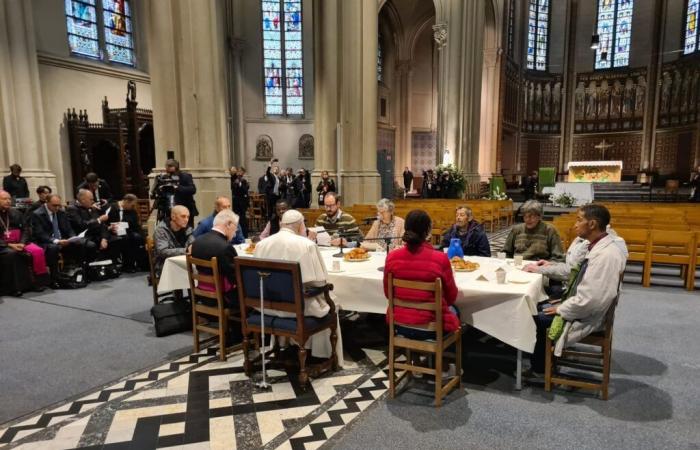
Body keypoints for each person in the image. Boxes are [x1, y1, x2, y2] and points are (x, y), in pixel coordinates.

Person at [528, 204, 627, 375]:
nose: (575, 224)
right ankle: (540, 359)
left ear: (592, 224)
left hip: (587, 316)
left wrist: (562, 308)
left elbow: (591, 299)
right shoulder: (597, 246)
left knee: (534, 316)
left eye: (579, 220)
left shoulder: (605, 255)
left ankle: (540, 368)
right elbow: (575, 273)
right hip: (582, 305)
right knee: (538, 304)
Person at [253, 209, 338, 360]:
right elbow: (319, 282)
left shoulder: (261, 245)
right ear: (300, 226)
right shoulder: (306, 245)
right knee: (332, 300)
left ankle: (287, 342)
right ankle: (322, 353)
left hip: (267, 306)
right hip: (299, 309)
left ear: (281, 224)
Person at [383, 209, 460, 340]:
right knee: (456, 310)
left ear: (406, 228)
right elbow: (451, 297)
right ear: (427, 231)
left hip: (400, 323)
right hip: (431, 326)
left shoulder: (392, 257)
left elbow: (387, 293)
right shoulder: (440, 259)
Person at [30, 194, 93, 287]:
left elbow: (68, 229)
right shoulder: (37, 214)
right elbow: (40, 234)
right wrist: (56, 241)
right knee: (53, 248)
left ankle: (81, 273)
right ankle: (54, 278)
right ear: (47, 203)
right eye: (54, 205)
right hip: (47, 242)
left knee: (81, 244)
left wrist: (73, 238)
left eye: (59, 205)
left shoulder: (61, 212)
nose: (57, 208)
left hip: (63, 239)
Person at [191, 209, 240, 310]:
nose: (235, 233)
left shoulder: (197, 241)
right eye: (236, 229)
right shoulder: (225, 247)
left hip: (201, 294)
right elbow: (235, 277)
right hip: (221, 297)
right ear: (229, 224)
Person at [0, 190, 35, 295]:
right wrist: (9, 245)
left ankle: (27, 285)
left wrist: (22, 243)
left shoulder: (16, 212)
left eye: (9, 199)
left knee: (27, 251)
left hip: (16, 244)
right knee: (12, 254)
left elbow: (26, 229)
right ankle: (13, 288)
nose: (8, 201)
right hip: (2, 246)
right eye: (4, 199)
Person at [106, 193, 147, 272]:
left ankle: (135, 264)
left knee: (137, 238)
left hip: (127, 233)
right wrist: (110, 228)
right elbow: (106, 223)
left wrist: (144, 238)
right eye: (132, 205)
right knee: (126, 239)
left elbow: (136, 226)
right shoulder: (112, 208)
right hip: (112, 232)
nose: (133, 207)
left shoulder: (132, 211)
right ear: (126, 201)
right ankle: (127, 265)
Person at [151, 159, 198, 226]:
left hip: (184, 207)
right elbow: (154, 193)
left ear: (176, 168)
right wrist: (159, 188)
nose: (170, 174)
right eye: (167, 170)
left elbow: (192, 190)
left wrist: (177, 187)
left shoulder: (185, 176)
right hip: (168, 209)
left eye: (172, 172)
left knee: (186, 229)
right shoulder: (163, 178)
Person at [66, 189, 107, 261]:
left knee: (116, 239)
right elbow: (82, 225)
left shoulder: (92, 207)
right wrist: (98, 220)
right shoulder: (72, 208)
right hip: (83, 236)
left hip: (95, 234)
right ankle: (91, 268)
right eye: (91, 199)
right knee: (91, 245)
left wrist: (104, 238)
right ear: (83, 200)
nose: (93, 201)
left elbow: (102, 225)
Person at [153, 205, 194, 275]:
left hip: (183, 261)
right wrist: (186, 250)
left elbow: (192, 245)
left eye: (188, 217)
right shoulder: (161, 230)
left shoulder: (188, 229)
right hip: (164, 264)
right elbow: (162, 252)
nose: (186, 220)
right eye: (183, 216)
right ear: (173, 217)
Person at [230, 166, 250, 236]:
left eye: (241, 171)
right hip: (235, 203)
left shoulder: (244, 181)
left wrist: (239, 184)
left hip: (242, 204)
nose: (239, 173)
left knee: (242, 219)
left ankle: (244, 234)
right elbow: (232, 184)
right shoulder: (233, 179)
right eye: (238, 171)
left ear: (243, 173)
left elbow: (245, 190)